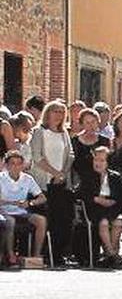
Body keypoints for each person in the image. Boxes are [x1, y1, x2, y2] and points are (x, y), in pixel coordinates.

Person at [28, 99, 74, 264]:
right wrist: (54, 172)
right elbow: (37, 157)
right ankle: (42, 254)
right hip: (43, 182)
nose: (59, 115)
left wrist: (62, 174)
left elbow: (70, 154)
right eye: (55, 111)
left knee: (61, 220)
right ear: (48, 113)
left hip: (60, 183)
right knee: (47, 219)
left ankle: (58, 253)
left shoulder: (64, 133)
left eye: (62, 112)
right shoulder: (38, 132)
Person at [77, 146, 122, 267]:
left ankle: (110, 255)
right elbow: (80, 194)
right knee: (104, 222)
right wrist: (96, 199)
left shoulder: (115, 176)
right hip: (95, 208)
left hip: (112, 207)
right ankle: (113, 254)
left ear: (107, 162)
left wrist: (113, 201)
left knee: (118, 222)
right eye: (96, 160)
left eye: (101, 160)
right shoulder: (87, 176)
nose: (98, 163)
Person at [0, 150, 47, 263]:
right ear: (6, 165)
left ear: (22, 165)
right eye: (12, 163)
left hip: (22, 212)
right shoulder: (1, 178)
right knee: (10, 221)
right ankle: (11, 255)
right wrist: (8, 202)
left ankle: (36, 255)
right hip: (3, 212)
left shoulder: (28, 179)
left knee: (41, 220)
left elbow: (42, 198)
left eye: (19, 164)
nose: (16, 167)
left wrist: (29, 203)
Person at [70, 108, 109, 180]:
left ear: (98, 122)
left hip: (100, 180)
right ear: (82, 124)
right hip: (80, 181)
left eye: (93, 122)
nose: (91, 125)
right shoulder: (74, 141)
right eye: (87, 122)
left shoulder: (105, 141)